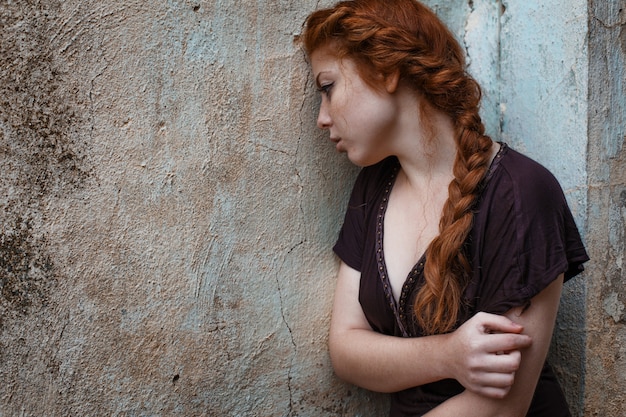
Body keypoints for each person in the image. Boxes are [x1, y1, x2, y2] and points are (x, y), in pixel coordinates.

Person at [301, 0, 590, 416]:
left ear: (386, 70)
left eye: (328, 88)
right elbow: (346, 348)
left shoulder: (522, 193)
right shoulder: (373, 186)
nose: (321, 118)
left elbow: (502, 407)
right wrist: (448, 355)